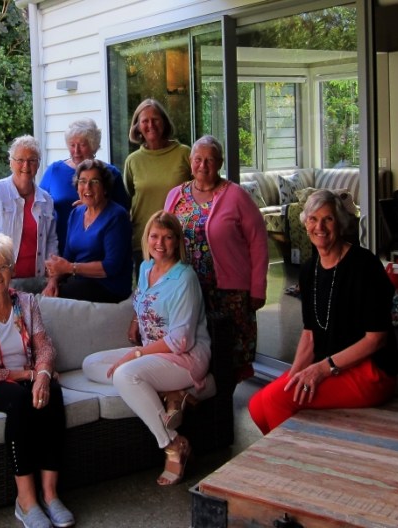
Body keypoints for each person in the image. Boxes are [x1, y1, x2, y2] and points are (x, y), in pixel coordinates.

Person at [248, 190, 398, 434]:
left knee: (276, 401)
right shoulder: (310, 270)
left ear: (339, 223)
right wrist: (294, 375)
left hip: (371, 370)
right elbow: (309, 334)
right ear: (305, 224)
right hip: (331, 364)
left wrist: (321, 368)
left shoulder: (365, 265)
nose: (320, 226)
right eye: (313, 219)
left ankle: (297, 464)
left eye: (328, 219)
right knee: (257, 405)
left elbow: (376, 339)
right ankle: (288, 456)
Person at [82, 211, 213, 486]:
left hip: (184, 358)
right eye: (155, 236)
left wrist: (135, 354)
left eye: (167, 237)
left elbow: (181, 340)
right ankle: (172, 394)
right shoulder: (145, 268)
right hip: (155, 355)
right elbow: (141, 298)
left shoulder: (184, 279)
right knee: (90, 364)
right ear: (147, 238)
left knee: (124, 374)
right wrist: (134, 321)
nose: (160, 244)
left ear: (177, 241)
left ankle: (172, 444)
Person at [0, 232, 74, 528]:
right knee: (20, 401)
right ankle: (26, 501)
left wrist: (43, 376)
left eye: (3, 266)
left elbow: (44, 346)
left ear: (12, 269)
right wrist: (27, 375)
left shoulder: (26, 302)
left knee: (53, 395)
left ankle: (50, 494)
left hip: (28, 377)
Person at [164, 135, 268, 382]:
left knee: (230, 352)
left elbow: (259, 242)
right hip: (187, 288)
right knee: (194, 349)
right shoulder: (176, 195)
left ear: (220, 163)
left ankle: (225, 403)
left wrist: (258, 288)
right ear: (190, 162)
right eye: (198, 159)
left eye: (210, 160)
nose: (203, 165)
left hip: (229, 292)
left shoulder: (236, 196)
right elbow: (163, 236)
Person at [0, 135, 58, 293]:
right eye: (20, 160)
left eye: (32, 160)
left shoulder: (46, 200)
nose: (26, 165)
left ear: (38, 164)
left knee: (31, 318)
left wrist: (52, 275)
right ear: (11, 162)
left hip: (35, 281)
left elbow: (51, 240)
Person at [43, 159, 132, 303]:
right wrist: (53, 280)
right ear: (77, 187)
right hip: (79, 280)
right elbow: (68, 257)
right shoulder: (76, 214)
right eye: (82, 181)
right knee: (36, 289)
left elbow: (111, 267)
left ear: (105, 187)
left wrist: (70, 268)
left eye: (95, 181)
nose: (87, 187)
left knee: (47, 301)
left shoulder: (116, 216)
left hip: (108, 287)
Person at [40, 118, 129, 255]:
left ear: (93, 145)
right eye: (72, 144)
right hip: (59, 249)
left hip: (98, 252)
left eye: (82, 145)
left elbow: (122, 215)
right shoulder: (54, 171)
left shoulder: (110, 174)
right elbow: (40, 207)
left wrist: (95, 206)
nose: (76, 151)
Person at [123, 98, 191, 272]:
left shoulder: (184, 153)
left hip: (181, 240)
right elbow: (126, 198)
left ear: (164, 123)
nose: (150, 125)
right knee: (148, 296)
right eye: (145, 121)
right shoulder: (133, 161)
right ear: (137, 127)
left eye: (155, 120)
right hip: (145, 242)